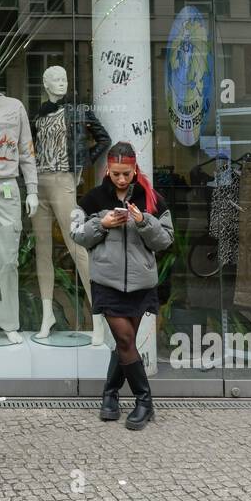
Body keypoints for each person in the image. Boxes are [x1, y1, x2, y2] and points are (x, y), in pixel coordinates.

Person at [71, 141, 175, 430]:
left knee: (122, 343)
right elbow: (77, 234)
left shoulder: (151, 198)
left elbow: (165, 240)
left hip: (141, 283)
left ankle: (110, 395)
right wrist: (102, 224)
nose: (120, 179)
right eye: (116, 173)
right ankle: (145, 401)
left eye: (126, 174)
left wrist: (143, 222)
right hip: (107, 282)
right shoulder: (92, 199)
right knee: (126, 340)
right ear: (108, 169)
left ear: (134, 169)